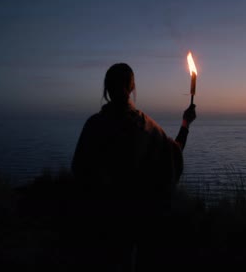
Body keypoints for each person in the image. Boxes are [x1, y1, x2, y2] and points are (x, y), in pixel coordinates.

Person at [70, 63, 196, 271]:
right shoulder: (145, 127)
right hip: (138, 220)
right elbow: (174, 153)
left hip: (99, 220)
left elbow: (80, 170)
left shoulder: (93, 125)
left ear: (106, 89)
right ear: (132, 87)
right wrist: (185, 124)